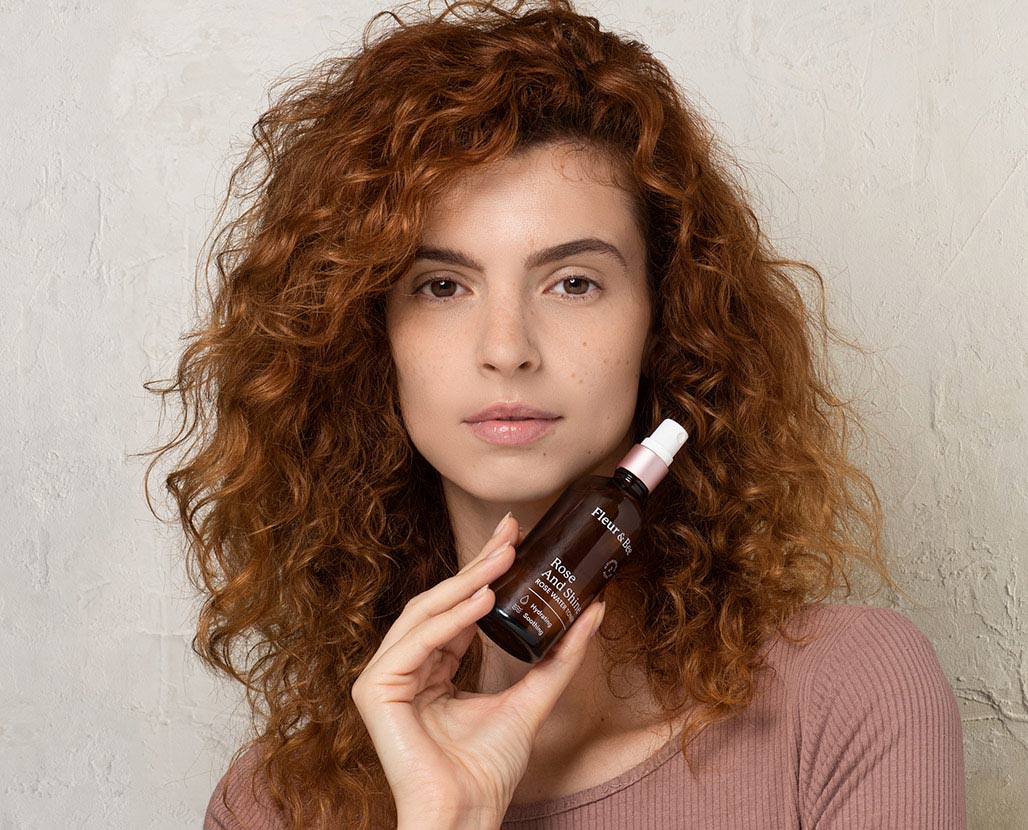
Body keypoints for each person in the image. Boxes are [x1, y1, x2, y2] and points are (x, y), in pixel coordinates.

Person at [142, 0, 968, 827]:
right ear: (369, 335)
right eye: (442, 286)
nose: (507, 348)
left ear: (663, 320)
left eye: (573, 282)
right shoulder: (271, 807)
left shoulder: (845, 697)